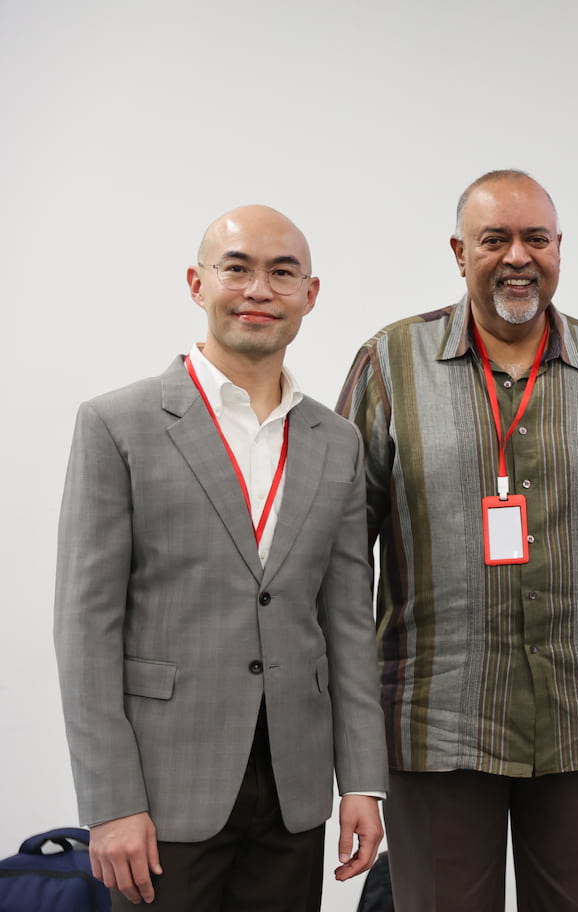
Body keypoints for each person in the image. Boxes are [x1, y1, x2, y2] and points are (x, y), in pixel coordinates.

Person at [336, 170, 578, 912]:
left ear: (561, 250)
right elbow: (341, 550)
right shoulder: (391, 366)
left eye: (536, 239)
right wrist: (353, 728)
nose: (518, 257)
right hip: (434, 720)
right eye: (495, 240)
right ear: (460, 253)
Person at [54, 205, 388, 911]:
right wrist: (110, 801)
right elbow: (86, 631)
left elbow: (349, 622)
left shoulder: (336, 441)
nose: (259, 290)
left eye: (281, 273)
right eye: (236, 268)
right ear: (197, 284)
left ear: (310, 294)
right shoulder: (118, 425)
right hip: (164, 795)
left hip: (296, 792)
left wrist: (362, 779)